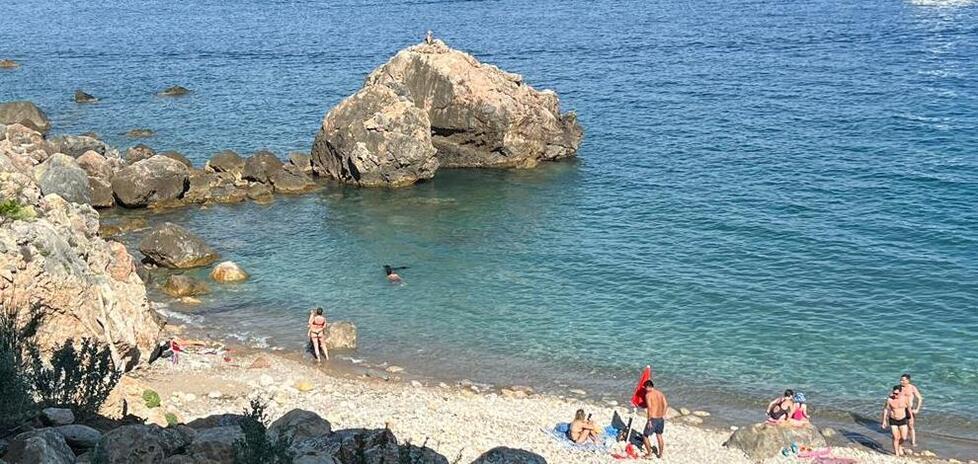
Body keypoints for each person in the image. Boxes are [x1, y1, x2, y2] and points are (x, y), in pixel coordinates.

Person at [882, 385, 912, 456]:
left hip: (903, 419)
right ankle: (896, 453)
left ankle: (900, 446)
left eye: (897, 394)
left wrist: (911, 419)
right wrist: (884, 421)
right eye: (894, 393)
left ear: (901, 393)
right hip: (893, 420)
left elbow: (909, 409)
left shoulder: (905, 399)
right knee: (896, 437)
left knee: (904, 437)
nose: (895, 395)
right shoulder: (890, 400)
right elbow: (886, 409)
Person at [642, 380, 668, 458]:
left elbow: (649, 408)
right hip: (661, 418)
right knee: (659, 435)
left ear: (648, 387)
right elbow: (666, 404)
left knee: (645, 436)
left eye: (645, 388)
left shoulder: (648, 395)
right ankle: (660, 454)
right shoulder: (660, 393)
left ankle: (649, 454)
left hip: (653, 418)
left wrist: (649, 420)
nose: (645, 389)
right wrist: (663, 414)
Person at [900, 373, 923, 447]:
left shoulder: (912, 388)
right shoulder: (899, 388)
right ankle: (902, 439)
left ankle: (913, 442)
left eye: (903, 380)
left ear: (908, 380)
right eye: (901, 380)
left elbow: (920, 398)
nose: (901, 381)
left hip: (909, 409)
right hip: (901, 408)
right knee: (902, 425)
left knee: (911, 425)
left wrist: (917, 409)